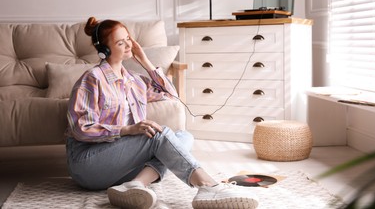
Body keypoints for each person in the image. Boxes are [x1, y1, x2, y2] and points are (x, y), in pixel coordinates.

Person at [65, 17, 259, 209]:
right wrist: (128, 129)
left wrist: (144, 60)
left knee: (184, 137)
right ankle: (208, 185)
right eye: (120, 42)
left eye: (128, 39)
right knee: (158, 135)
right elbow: (81, 129)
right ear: (104, 50)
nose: (128, 45)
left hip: (121, 166)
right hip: (88, 165)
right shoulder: (92, 79)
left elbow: (170, 94)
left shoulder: (133, 80)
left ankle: (136, 184)